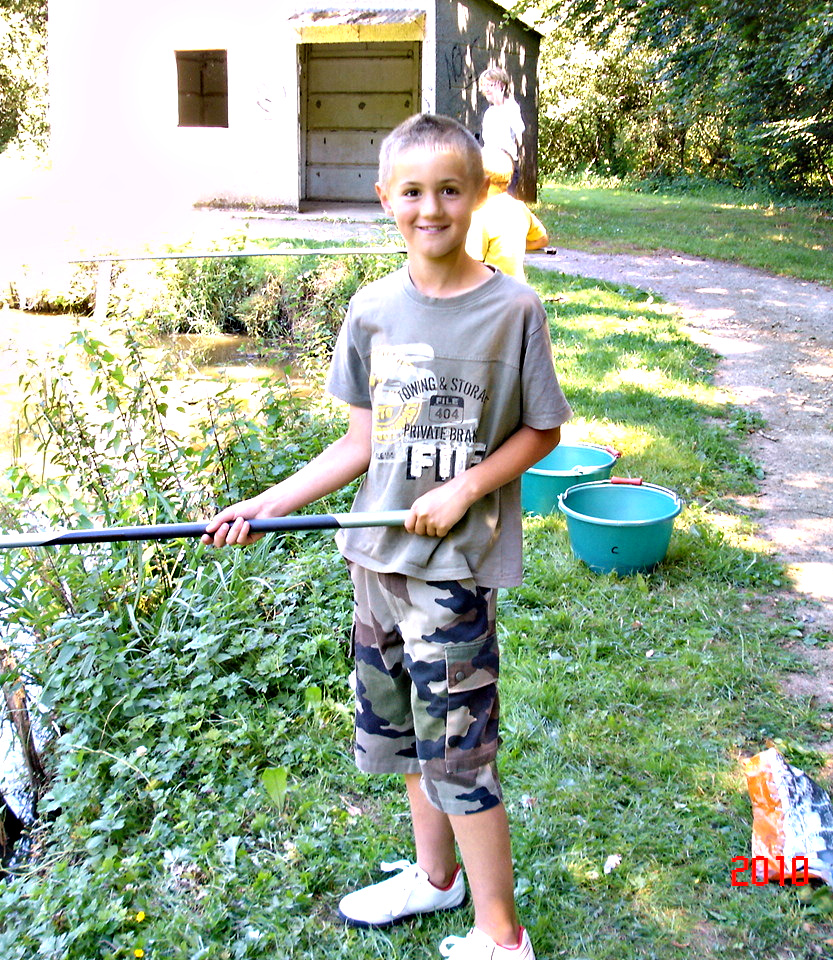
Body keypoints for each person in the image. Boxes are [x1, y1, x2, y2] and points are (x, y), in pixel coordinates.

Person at [204, 113, 571, 960]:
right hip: (376, 563)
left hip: (452, 571)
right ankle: (434, 879)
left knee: (460, 757)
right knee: (405, 738)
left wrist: (467, 488)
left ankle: (501, 934)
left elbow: (544, 431)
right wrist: (265, 505)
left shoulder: (513, 308)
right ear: (385, 200)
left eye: (450, 190)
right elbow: (357, 444)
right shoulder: (371, 309)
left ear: (480, 196)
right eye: (413, 192)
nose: (431, 208)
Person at [465, 148, 549, 280]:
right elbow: (541, 239)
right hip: (517, 290)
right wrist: (512, 245)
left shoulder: (479, 214)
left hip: (491, 293)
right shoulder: (520, 208)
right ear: (509, 181)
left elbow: (471, 263)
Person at [478, 67, 525, 196]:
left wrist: (501, 102)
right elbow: (488, 142)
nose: (486, 89)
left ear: (501, 86)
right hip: (489, 165)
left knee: (505, 203)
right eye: (484, 85)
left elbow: (520, 129)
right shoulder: (489, 112)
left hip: (506, 165)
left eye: (490, 85)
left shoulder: (511, 106)